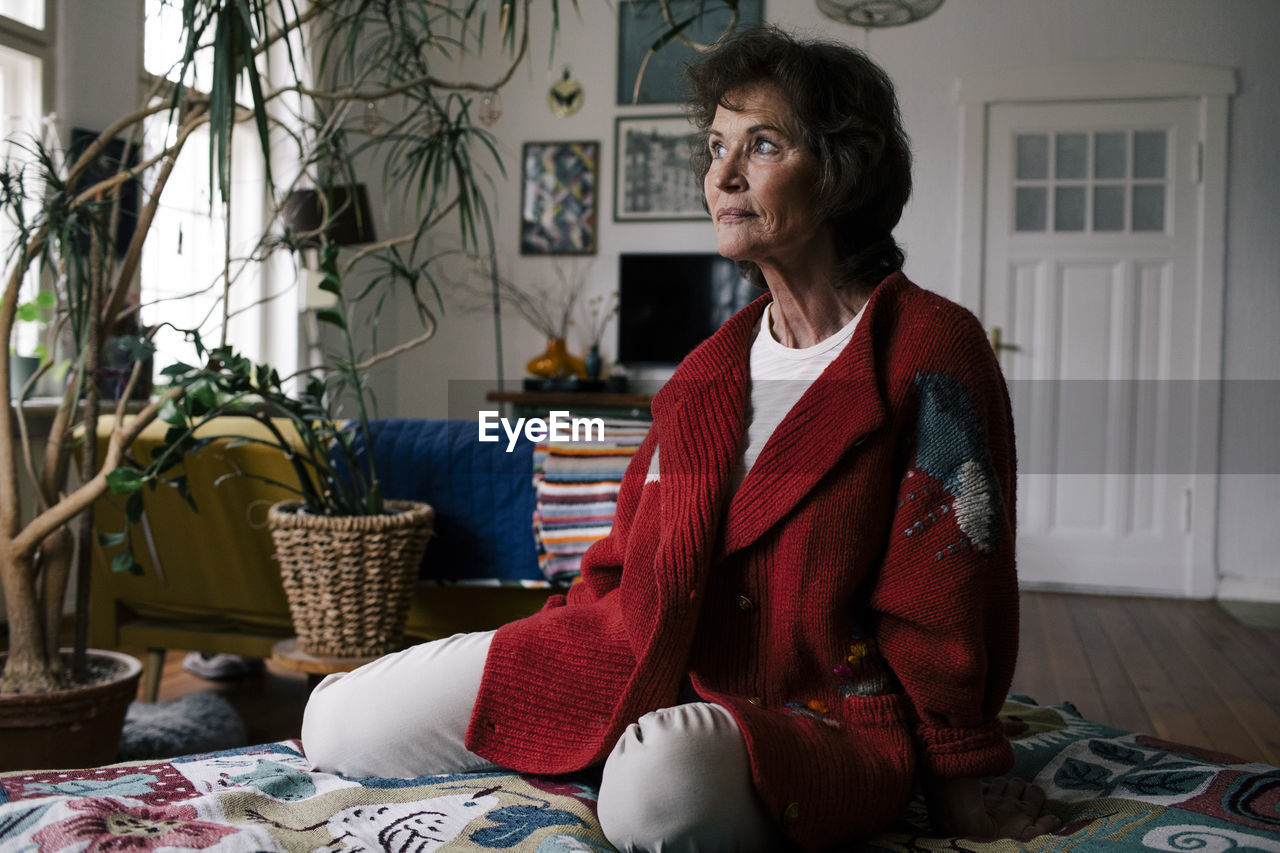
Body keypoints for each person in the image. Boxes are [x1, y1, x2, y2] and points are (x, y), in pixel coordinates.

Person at [302, 26, 1061, 852]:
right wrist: (548, 650)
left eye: (761, 145)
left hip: (811, 709)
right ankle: (598, 742)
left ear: (843, 169)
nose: (722, 176)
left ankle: (636, 761)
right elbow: (622, 560)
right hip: (628, 652)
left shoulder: (927, 348)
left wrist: (957, 783)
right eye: (715, 147)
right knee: (335, 719)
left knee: (658, 789)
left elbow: (948, 598)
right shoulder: (706, 371)